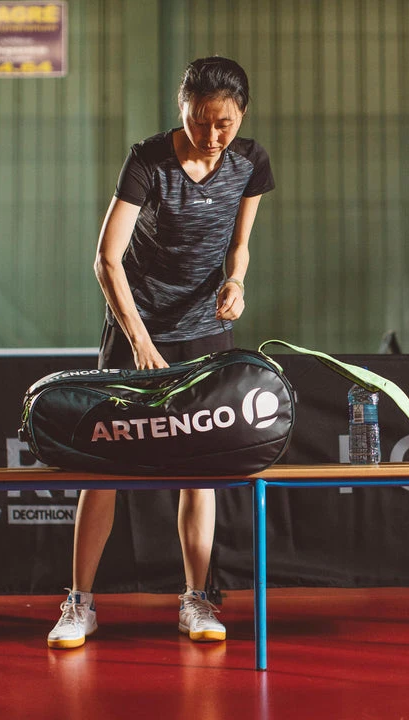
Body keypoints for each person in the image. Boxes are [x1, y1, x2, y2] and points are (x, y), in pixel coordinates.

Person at [47, 56, 274, 649]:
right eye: (199, 121)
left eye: (224, 123)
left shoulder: (250, 162)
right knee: (102, 469)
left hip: (203, 329)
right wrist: (140, 341)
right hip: (135, 327)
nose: (211, 136)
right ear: (182, 109)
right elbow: (106, 259)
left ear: (242, 116)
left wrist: (236, 282)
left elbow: (240, 244)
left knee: (200, 469)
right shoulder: (147, 160)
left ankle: (197, 599)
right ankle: (79, 604)